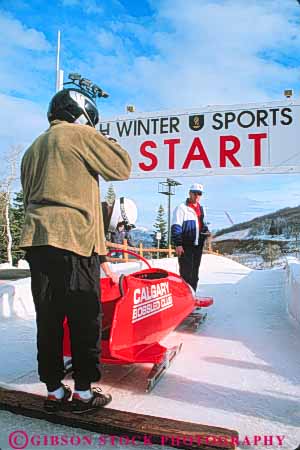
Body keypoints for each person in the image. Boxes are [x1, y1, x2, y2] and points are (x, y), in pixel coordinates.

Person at [20, 85, 132, 414]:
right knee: (84, 317)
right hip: (73, 240)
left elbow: (28, 197)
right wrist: (104, 140)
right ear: (81, 114)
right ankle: (84, 392)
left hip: (38, 241)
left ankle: (54, 390)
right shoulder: (78, 135)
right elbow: (121, 167)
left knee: (49, 318)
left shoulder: (33, 148)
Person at [171, 183, 210, 292]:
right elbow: (176, 227)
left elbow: (202, 225)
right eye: (195, 193)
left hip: (198, 246)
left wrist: (206, 231)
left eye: (200, 194)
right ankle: (184, 298)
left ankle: (192, 297)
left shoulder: (201, 209)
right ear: (190, 193)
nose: (197, 196)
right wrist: (178, 244)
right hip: (186, 246)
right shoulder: (182, 208)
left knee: (195, 274)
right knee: (186, 274)